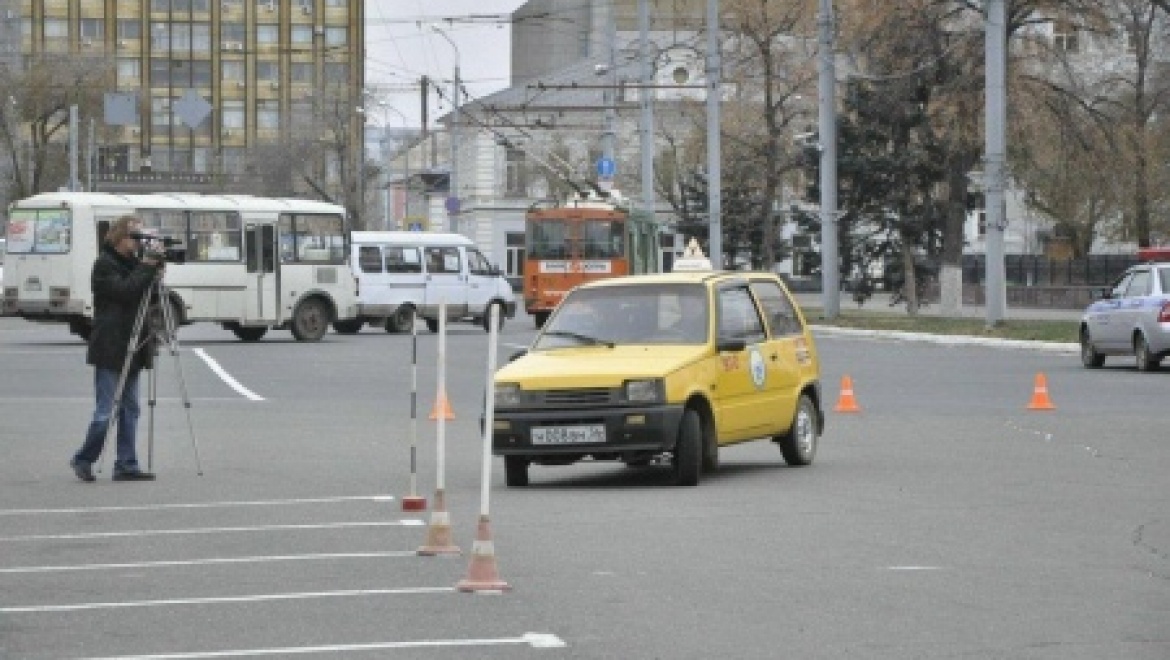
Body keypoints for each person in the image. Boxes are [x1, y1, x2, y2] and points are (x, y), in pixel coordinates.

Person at [70, 216, 163, 482]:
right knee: (106, 411)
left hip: (133, 345)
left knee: (131, 408)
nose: (139, 241)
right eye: (135, 236)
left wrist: (155, 275)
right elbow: (124, 291)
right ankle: (83, 458)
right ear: (120, 237)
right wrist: (146, 268)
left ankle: (126, 464)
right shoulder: (104, 265)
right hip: (111, 345)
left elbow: (147, 297)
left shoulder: (134, 264)